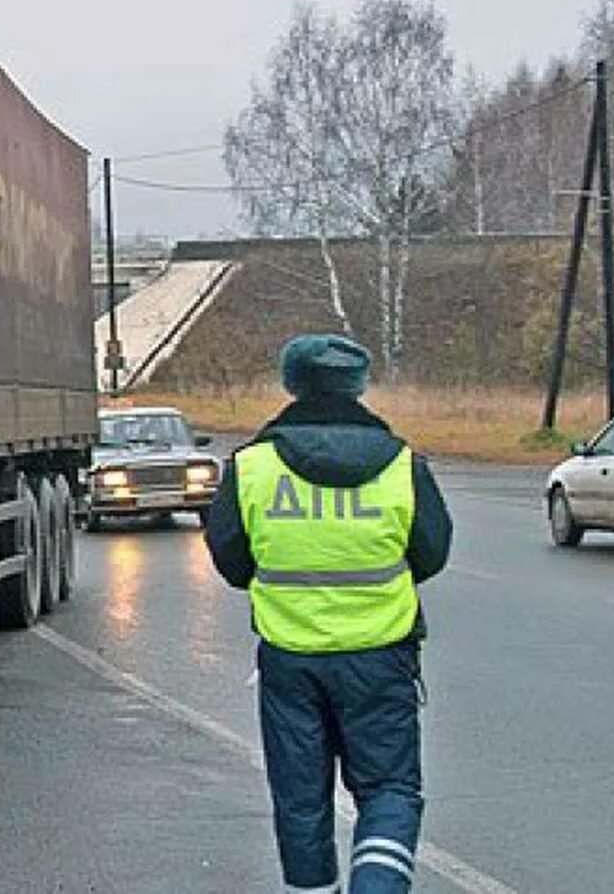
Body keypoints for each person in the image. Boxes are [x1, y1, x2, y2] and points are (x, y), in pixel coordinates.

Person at [203, 334, 452, 893]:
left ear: (291, 385)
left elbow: (231, 561)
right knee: (389, 789)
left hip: (290, 661)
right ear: (358, 387)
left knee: (301, 797)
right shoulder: (402, 465)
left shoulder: (251, 467)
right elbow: (432, 553)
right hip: (381, 657)